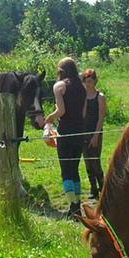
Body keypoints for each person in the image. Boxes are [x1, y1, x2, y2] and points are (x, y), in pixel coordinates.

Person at [44, 57, 86, 217]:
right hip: (80, 131)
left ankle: (72, 207)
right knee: (74, 169)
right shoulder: (82, 87)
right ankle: (77, 205)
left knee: (66, 171)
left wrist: (50, 118)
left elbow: (61, 111)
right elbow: (83, 112)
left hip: (65, 132)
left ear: (61, 71)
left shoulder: (59, 87)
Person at [81, 68, 108, 200]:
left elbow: (101, 118)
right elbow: (82, 115)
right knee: (87, 162)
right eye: (86, 82)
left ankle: (103, 188)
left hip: (95, 131)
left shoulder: (100, 97)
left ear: (95, 81)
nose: (88, 84)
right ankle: (93, 188)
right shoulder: (82, 97)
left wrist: (96, 136)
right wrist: (84, 100)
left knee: (95, 161)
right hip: (83, 132)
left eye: (90, 81)